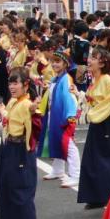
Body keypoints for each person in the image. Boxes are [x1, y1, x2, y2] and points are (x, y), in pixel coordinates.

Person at [0, 68, 41, 219]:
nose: (12, 87)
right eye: (10, 83)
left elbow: (34, 114)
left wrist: (35, 109)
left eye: (16, 83)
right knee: (8, 185)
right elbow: (10, 118)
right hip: (10, 146)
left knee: (21, 188)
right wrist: (2, 111)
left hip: (21, 148)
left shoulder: (27, 104)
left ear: (25, 85)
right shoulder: (14, 101)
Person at [77, 47, 110, 209]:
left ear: (102, 63)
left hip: (106, 122)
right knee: (92, 158)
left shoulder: (107, 79)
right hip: (97, 120)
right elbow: (95, 100)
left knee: (109, 160)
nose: (89, 60)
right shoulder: (95, 79)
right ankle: (96, 196)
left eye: (93, 58)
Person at [37, 48, 81, 188]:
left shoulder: (66, 79)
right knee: (54, 140)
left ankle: (76, 174)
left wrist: (69, 116)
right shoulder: (57, 78)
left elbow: (69, 99)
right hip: (54, 113)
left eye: (58, 62)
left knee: (68, 145)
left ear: (65, 64)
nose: (54, 64)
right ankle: (58, 170)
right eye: (53, 62)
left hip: (64, 116)